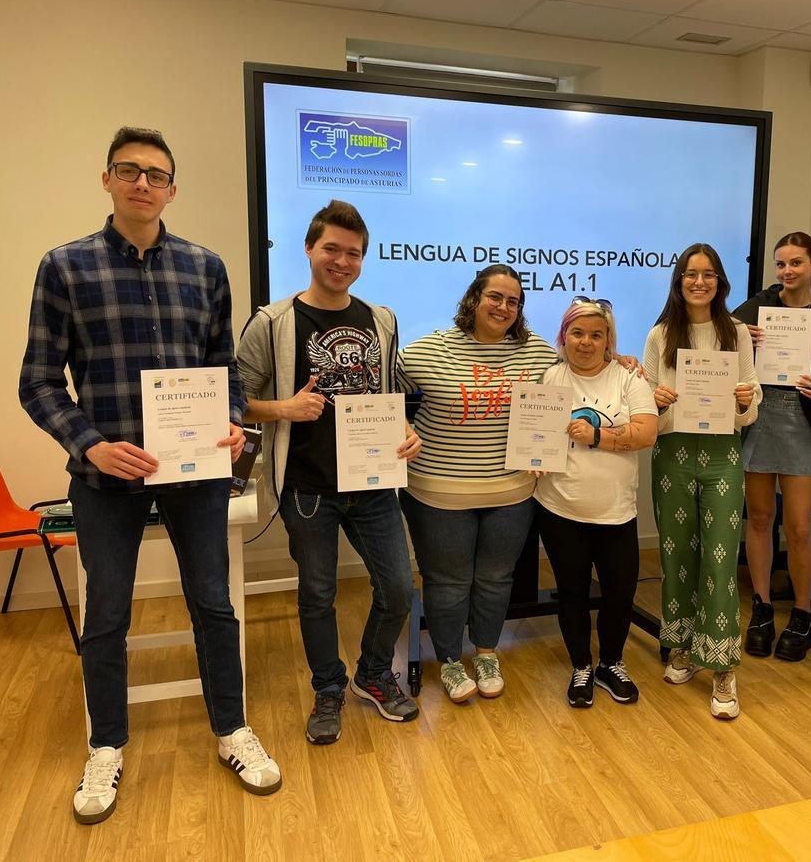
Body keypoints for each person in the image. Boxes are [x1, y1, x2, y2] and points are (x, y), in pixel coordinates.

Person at [18, 127, 280, 824]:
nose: (142, 183)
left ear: (172, 188)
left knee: (214, 604)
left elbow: (225, 368)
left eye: (156, 174)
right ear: (107, 180)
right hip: (106, 479)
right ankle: (106, 742)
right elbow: (39, 383)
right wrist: (92, 446)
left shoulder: (206, 267)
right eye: (128, 171)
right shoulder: (64, 267)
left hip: (195, 475)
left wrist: (231, 421)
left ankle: (231, 728)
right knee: (106, 614)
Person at [236, 200, 423, 745]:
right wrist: (282, 409)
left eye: (354, 253)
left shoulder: (381, 319)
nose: (342, 261)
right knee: (317, 595)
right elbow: (233, 399)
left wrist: (405, 434)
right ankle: (328, 688)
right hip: (309, 489)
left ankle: (371, 675)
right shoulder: (272, 323)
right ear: (309, 249)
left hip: (374, 485)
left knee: (397, 588)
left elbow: (390, 394)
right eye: (332, 250)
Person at [396, 264, 559, 703]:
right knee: (447, 581)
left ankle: (486, 652)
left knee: (495, 577)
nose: (504, 307)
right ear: (473, 299)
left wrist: (622, 359)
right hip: (437, 491)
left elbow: (579, 380)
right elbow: (381, 393)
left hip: (512, 492)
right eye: (495, 297)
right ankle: (450, 660)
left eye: (514, 301)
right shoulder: (429, 350)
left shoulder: (538, 353)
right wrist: (399, 429)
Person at [644, 243, 761, 719]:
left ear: (720, 282)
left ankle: (723, 666)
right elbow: (644, 405)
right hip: (672, 455)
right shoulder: (659, 335)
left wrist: (741, 401)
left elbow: (751, 409)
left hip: (721, 456)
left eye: (708, 274)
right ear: (678, 281)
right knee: (676, 554)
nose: (699, 282)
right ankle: (681, 646)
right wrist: (658, 398)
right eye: (691, 274)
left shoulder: (736, 333)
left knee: (718, 557)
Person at [733, 232, 811, 661]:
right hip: (761, 418)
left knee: (800, 527)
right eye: (781, 264)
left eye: (796, 263)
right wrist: (740, 333)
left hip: (804, 422)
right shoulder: (758, 305)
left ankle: (801, 613)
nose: (787, 272)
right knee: (761, 518)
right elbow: (723, 335)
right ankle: (761, 608)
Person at [534, 299, 658, 708]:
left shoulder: (628, 378)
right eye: (577, 333)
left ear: (609, 340)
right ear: (564, 337)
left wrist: (598, 437)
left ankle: (611, 663)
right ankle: (581, 666)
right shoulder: (549, 376)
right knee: (570, 592)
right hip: (559, 508)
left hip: (617, 512)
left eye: (596, 334)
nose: (586, 342)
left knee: (620, 594)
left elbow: (646, 434)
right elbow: (532, 430)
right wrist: (529, 457)